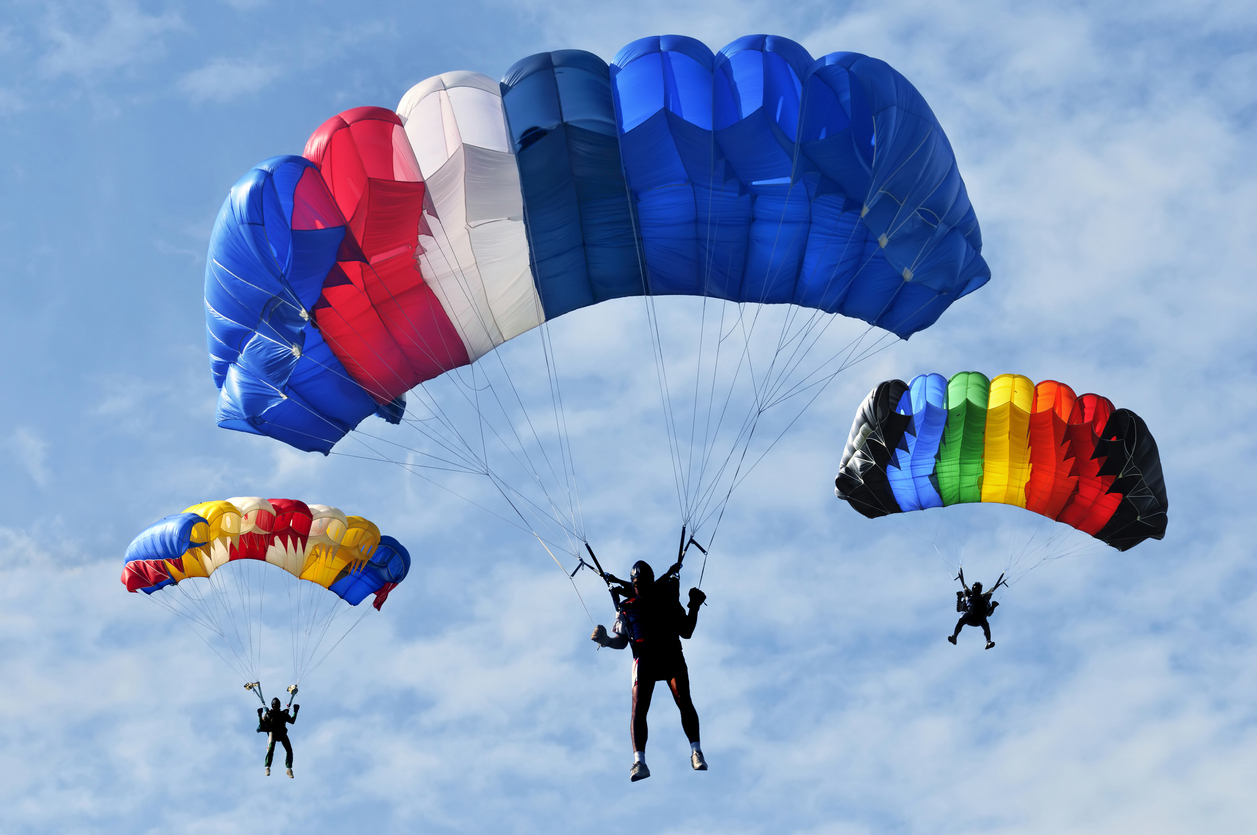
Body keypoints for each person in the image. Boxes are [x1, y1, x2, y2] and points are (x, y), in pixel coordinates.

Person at [591, 559, 707, 782]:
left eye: (644, 584)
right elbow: (622, 642)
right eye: (637, 584)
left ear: (651, 583)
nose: (640, 588)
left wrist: (694, 606)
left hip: (671, 656)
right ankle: (639, 762)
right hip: (644, 660)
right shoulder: (626, 607)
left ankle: (696, 752)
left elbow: (687, 631)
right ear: (633, 585)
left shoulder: (668, 601)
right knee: (639, 708)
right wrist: (605, 639)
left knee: (683, 699)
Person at [949, 577, 999, 649]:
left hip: (979, 618)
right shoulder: (968, 598)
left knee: (985, 623)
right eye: (975, 587)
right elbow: (959, 609)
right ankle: (954, 636)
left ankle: (988, 641)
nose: (976, 589)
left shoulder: (985, 599)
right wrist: (959, 598)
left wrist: (993, 607)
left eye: (978, 588)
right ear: (972, 589)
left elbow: (988, 613)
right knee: (962, 618)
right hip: (969, 617)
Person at [257, 697, 300, 777]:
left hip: (282, 734)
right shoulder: (268, 715)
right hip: (273, 733)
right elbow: (261, 725)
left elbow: (292, 721)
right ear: (272, 706)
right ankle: (267, 768)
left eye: (276, 706)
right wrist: (260, 715)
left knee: (289, 750)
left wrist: (295, 711)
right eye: (274, 706)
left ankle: (289, 769)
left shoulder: (283, 714)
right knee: (271, 749)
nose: (275, 707)